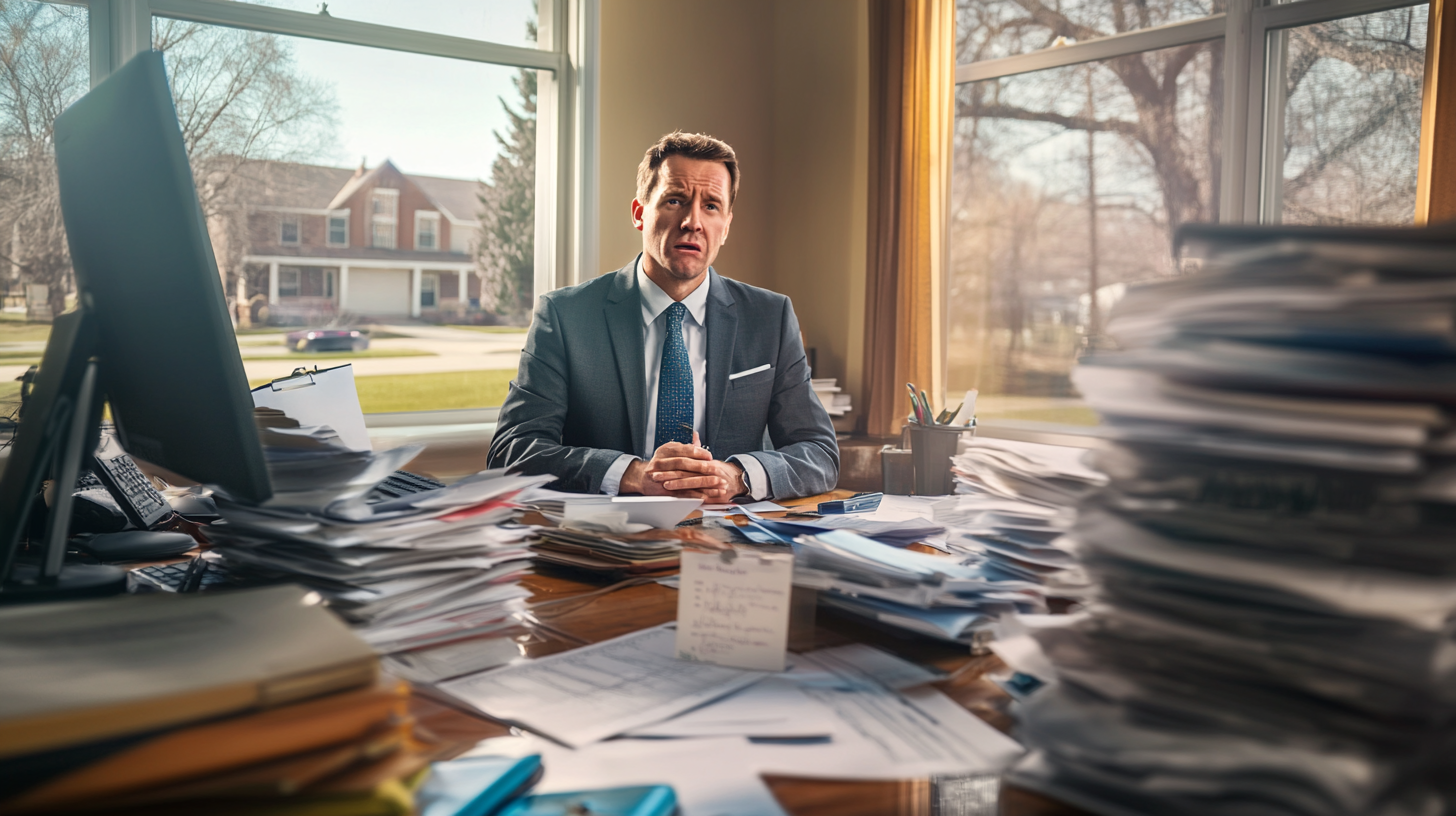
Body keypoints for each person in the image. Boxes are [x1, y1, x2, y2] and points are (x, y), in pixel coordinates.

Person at [487, 131, 839, 501]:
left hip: (730, 543)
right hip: (607, 541)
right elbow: (512, 450)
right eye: (675, 200)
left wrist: (736, 476)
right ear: (640, 213)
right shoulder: (564, 316)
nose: (693, 221)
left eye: (711, 206)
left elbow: (819, 454)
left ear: (727, 226)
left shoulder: (771, 317)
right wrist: (632, 475)